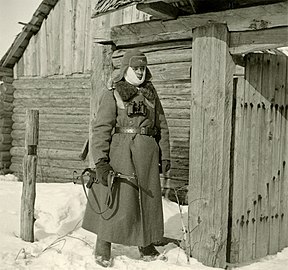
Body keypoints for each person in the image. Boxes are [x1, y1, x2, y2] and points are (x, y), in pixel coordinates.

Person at [82, 49, 171, 267]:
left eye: (143, 68)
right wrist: (101, 161)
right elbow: (102, 129)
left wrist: (165, 154)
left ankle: (146, 243)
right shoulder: (112, 93)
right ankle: (103, 244)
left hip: (148, 155)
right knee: (117, 197)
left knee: (147, 200)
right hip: (121, 152)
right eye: (136, 68)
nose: (140, 72)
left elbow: (162, 126)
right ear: (126, 70)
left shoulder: (151, 94)